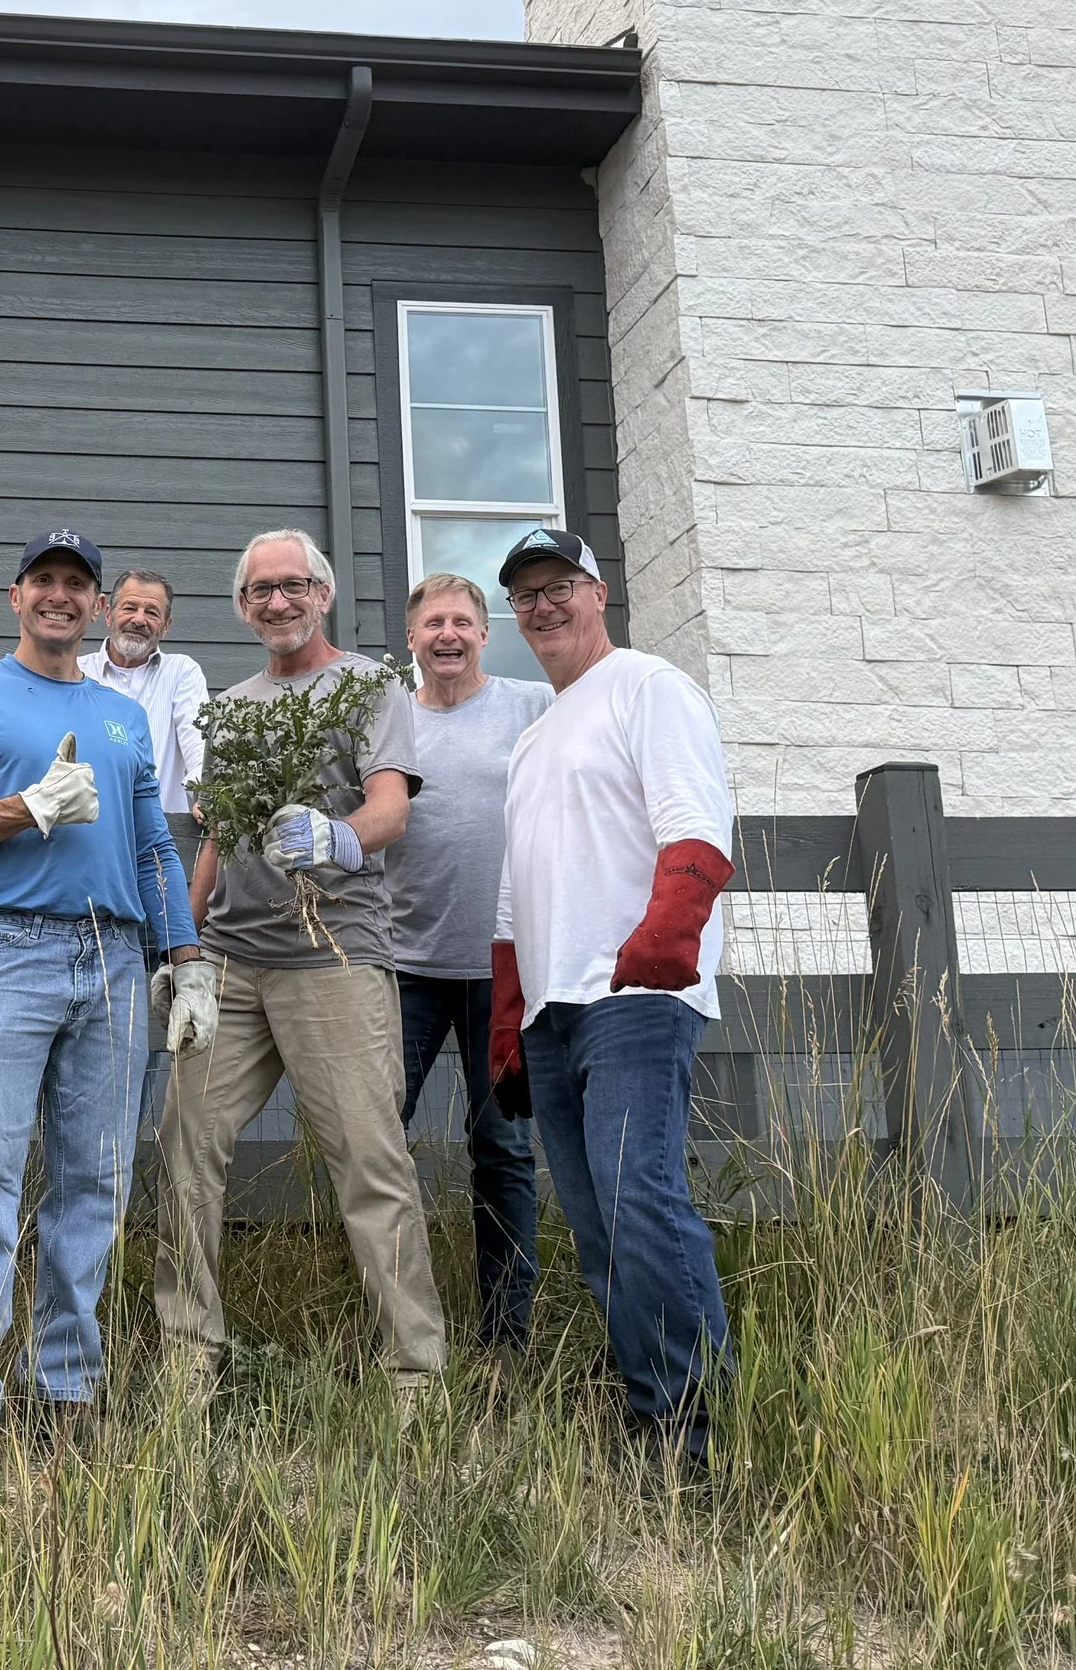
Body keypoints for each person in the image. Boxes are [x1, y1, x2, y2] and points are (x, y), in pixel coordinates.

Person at [0, 528, 216, 1431]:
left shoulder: (121, 716)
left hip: (115, 961)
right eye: (44, 580)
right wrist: (24, 808)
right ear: (16, 595)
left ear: (97, 605)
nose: (60, 596)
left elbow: (156, 847)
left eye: (77, 584)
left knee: (95, 1182)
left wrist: (184, 956)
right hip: (8, 952)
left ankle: (66, 1389)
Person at [154, 528, 446, 1416]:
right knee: (183, 1153)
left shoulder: (368, 684)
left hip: (336, 958)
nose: (276, 603)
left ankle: (417, 1379)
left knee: (370, 1162)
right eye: (259, 592)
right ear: (242, 607)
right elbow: (217, 835)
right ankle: (188, 1364)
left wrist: (341, 835)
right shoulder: (233, 706)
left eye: (292, 586)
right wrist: (187, 946)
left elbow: (391, 801)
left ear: (322, 592)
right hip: (235, 964)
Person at [489, 526, 737, 1464]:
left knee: (643, 1201)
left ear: (597, 592)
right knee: (596, 1227)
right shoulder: (533, 740)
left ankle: (695, 1432)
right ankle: (648, 1415)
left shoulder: (649, 687)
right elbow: (515, 895)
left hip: (636, 990)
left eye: (559, 586)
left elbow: (696, 824)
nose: (542, 606)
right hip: (555, 1012)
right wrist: (510, 1016)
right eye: (526, 595)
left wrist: (667, 936)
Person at [386, 572, 552, 1357]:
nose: (446, 634)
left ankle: (507, 1336)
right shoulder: (388, 718)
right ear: (411, 636)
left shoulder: (531, 706)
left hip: (505, 964)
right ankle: (398, 1329)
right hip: (405, 963)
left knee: (502, 1148)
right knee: (377, 1138)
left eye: (462, 621)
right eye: (432, 623)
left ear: (485, 633)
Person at [77, 569, 208, 816]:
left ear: (166, 626)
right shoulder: (77, 671)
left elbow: (199, 745)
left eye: (152, 612)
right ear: (108, 614)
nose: (139, 619)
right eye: (129, 608)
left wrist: (205, 794)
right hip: (88, 830)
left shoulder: (182, 672)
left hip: (163, 836)